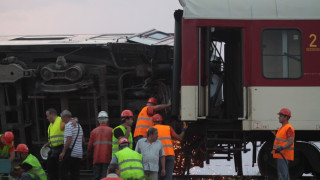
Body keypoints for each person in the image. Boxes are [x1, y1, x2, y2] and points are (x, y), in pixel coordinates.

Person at [153, 114, 187, 180]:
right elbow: (179, 138)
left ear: (153, 122)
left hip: (159, 156)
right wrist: (184, 129)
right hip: (170, 155)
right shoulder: (168, 128)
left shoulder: (150, 130)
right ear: (161, 121)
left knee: (158, 175)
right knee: (168, 176)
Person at [59, 110, 84, 180]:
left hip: (71, 153)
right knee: (75, 174)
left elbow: (69, 139)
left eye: (62, 117)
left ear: (66, 117)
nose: (61, 119)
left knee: (63, 171)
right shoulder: (79, 126)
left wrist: (63, 152)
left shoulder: (68, 126)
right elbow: (83, 140)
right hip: (79, 153)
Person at [87, 111, 113, 180]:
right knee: (104, 177)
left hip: (96, 158)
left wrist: (88, 156)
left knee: (96, 176)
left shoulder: (94, 131)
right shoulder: (111, 131)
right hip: (107, 158)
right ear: (107, 120)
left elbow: (89, 147)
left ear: (98, 120)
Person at [273, 108, 295, 180]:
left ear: (286, 117)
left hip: (284, 155)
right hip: (281, 154)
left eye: (281, 115)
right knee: (283, 175)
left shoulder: (288, 128)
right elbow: (280, 142)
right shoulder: (282, 128)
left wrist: (281, 148)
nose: (279, 117)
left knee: (283, 176)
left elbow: (290, 141)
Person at [43, 108, 65, 180]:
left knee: (60, 171)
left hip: (60, 148)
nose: (47, 118)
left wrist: (74, 120)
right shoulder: (50, 125)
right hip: (53, 149)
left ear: (52, 115)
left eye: (47, 116)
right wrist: (48, 143)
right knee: (50, 169)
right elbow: (53, 139)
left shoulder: (61, 120)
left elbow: (71, 121)